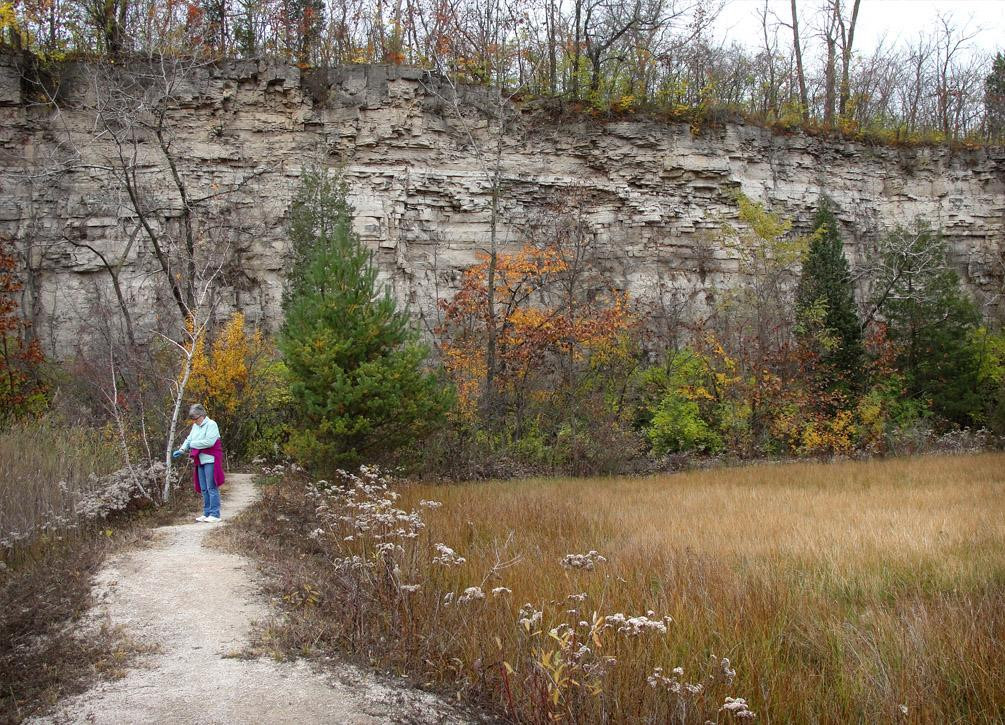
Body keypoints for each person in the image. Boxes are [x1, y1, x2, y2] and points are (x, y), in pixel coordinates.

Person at [172, 404, 226, 523]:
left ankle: (215, 514)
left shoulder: (212, 424)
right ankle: (207, 513)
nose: (194, 421)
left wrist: (192, 445)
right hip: (199, 459)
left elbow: (209, 442)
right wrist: (182, 450)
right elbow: (189, 439)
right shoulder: (195, 426)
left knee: (211, 487)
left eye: (195, 418)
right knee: (204, 488)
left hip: (210, 459)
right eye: (192, 419)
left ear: (202, 415)